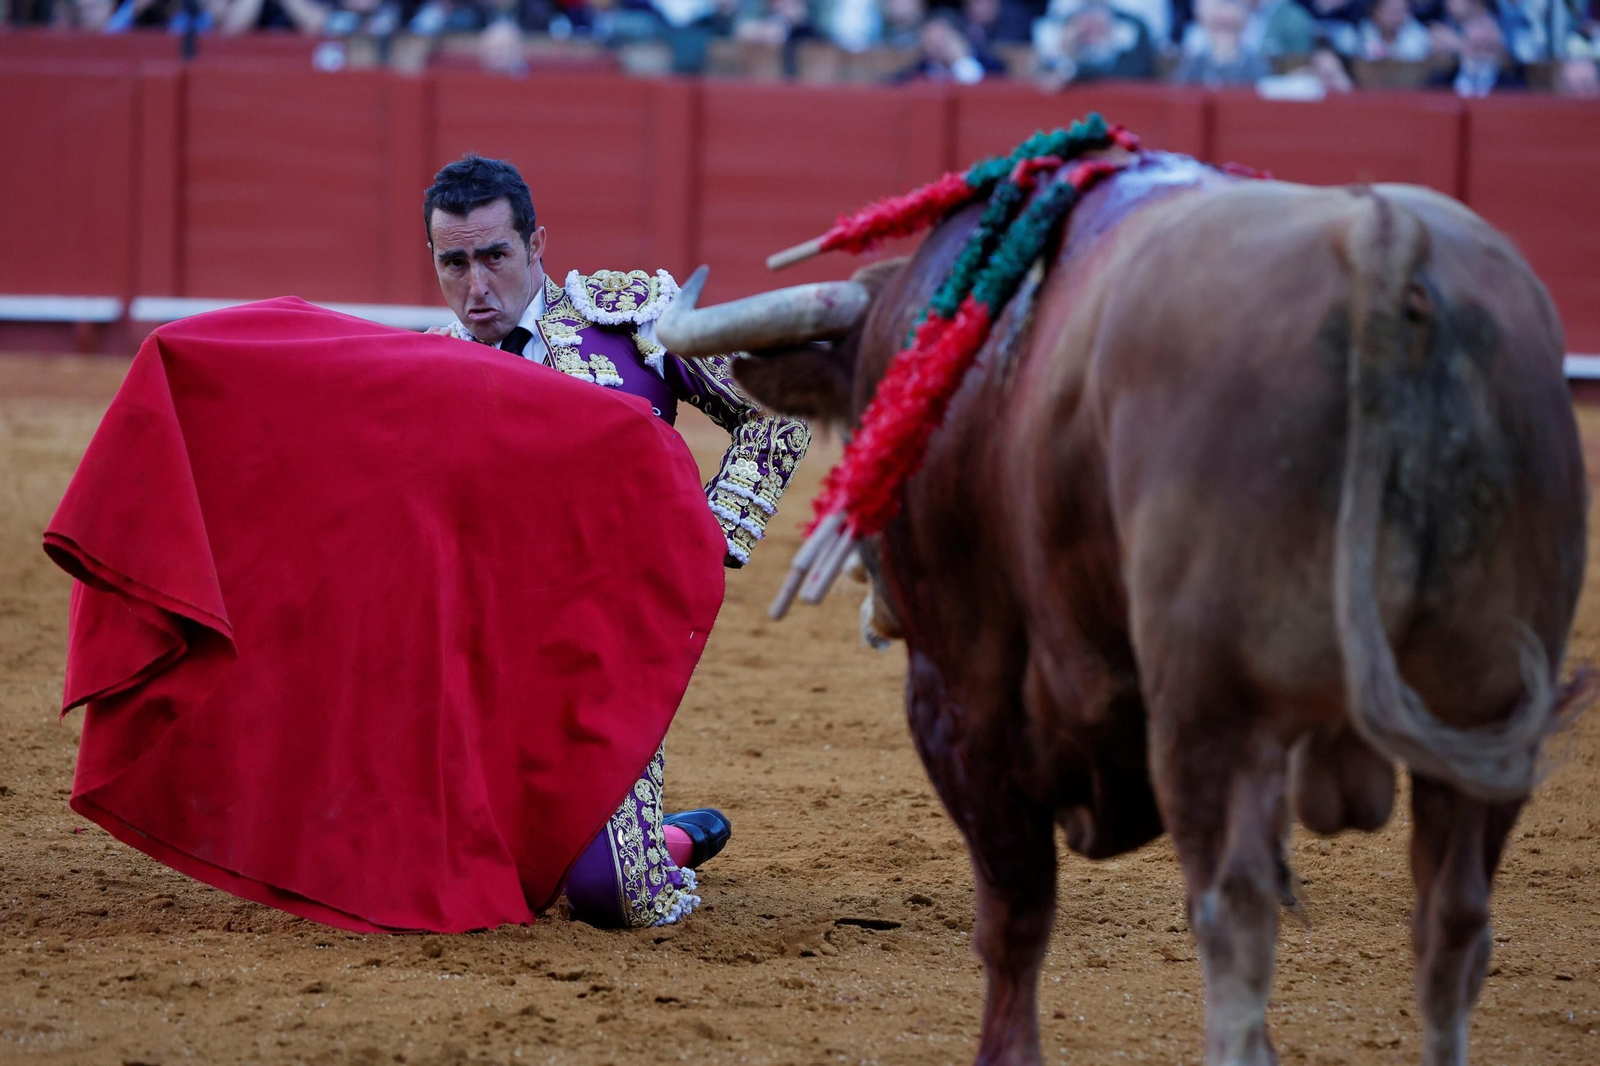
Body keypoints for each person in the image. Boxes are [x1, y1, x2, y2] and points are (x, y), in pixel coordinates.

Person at [422, 154, 809, 927]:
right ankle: (635, 836)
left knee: (610, 898)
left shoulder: (627, 325)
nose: (476, 287)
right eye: (453, 262)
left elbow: (778, 409)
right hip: (476, 669)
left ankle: (658, 842)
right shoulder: (429, 367)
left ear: (537, 245)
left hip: (604, 658)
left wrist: (713, 535)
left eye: (494, 256)